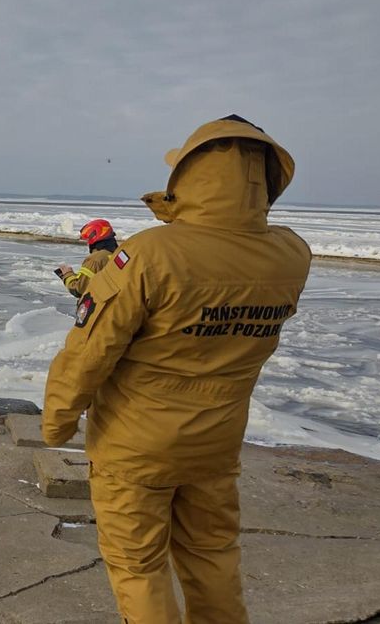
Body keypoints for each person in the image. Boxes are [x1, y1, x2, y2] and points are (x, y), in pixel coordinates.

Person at [41, 115, 312, 624]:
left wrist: (58, 419)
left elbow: (90, 350)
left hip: (135, 446)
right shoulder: (290, 255)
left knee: (139, 567)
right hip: (215, 444)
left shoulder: (146, 256)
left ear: (189, 175)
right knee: (213, 556)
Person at [56, 218, 118, 298]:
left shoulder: (95, 259)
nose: (87, 243)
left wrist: (67, 274)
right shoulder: (118, 254)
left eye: (87, 240)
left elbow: (78, 290)